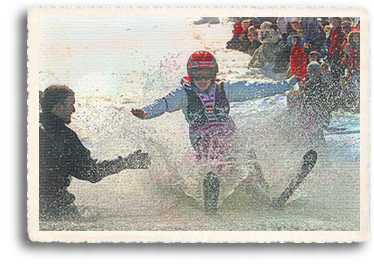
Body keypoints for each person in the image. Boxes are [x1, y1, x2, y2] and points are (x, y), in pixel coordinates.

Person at [131, 51, 299, 212]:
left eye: (207, 74)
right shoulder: (183, 94)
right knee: (218, 163)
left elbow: (255, 88)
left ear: (214, 73)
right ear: (190, 74)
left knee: (248, 156)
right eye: (197, 75)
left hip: (229, 137)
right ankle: (210, 190)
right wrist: (146, 112)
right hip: (203, 140)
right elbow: (164, 103)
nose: (203, 79)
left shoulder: (224, 89)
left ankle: (264, 193)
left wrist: (285, 85)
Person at [39, 85, 151, 220]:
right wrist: (126, 162)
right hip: (55, 209)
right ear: (58, 107)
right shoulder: (63, 137)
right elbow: (91, 172)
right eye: (71, 105)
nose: (74, 110)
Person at [325, 17, 345, 84]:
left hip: (339, 56)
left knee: (338, 74)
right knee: (333, 74)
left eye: (335, 20)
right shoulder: (333, 31)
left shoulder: (341, 30)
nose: (333, 22)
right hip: (333, 55)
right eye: (332, 20)